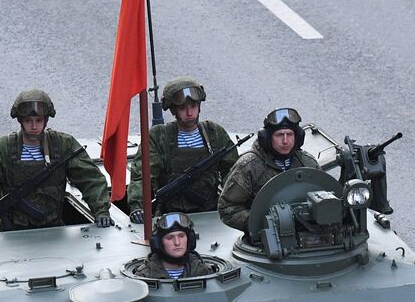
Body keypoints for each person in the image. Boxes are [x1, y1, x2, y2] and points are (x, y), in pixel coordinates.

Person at [0, 89, 111, 231]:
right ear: (20, 120)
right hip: (11, 232)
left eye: (38, 120)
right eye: (28, 120)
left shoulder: (62, 145)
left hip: (53, 230)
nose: (34, 126)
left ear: (46, 120)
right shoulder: (3, 148)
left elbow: (90, 179)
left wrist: (101, 211)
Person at [126, 77, 238, 222]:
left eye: (193, 106)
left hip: (210, 212)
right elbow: (143, 174)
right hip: (170, 216)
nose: (190, 113)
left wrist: (236, 202)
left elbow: (232, 172)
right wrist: (138, 206)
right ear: (174, 110)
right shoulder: (159, 136)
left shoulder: (214, 133)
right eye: (182, 108)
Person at [218, 107, 319, 232]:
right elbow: (227, 208)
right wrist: (261, 223)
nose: (285, 141)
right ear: (266, 138)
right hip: (264, 240)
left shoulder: (308, 163)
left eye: (290, 134)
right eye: (279, 135)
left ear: (298, 137)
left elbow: (325, 197)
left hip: (309, 235)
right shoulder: (248, 166)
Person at [130, 213, 215, 280]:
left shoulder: (202, 270)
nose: (177, 243)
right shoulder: (145, 275)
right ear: (158, 243)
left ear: (190, 239)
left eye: (181, 236)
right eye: (170, 238)